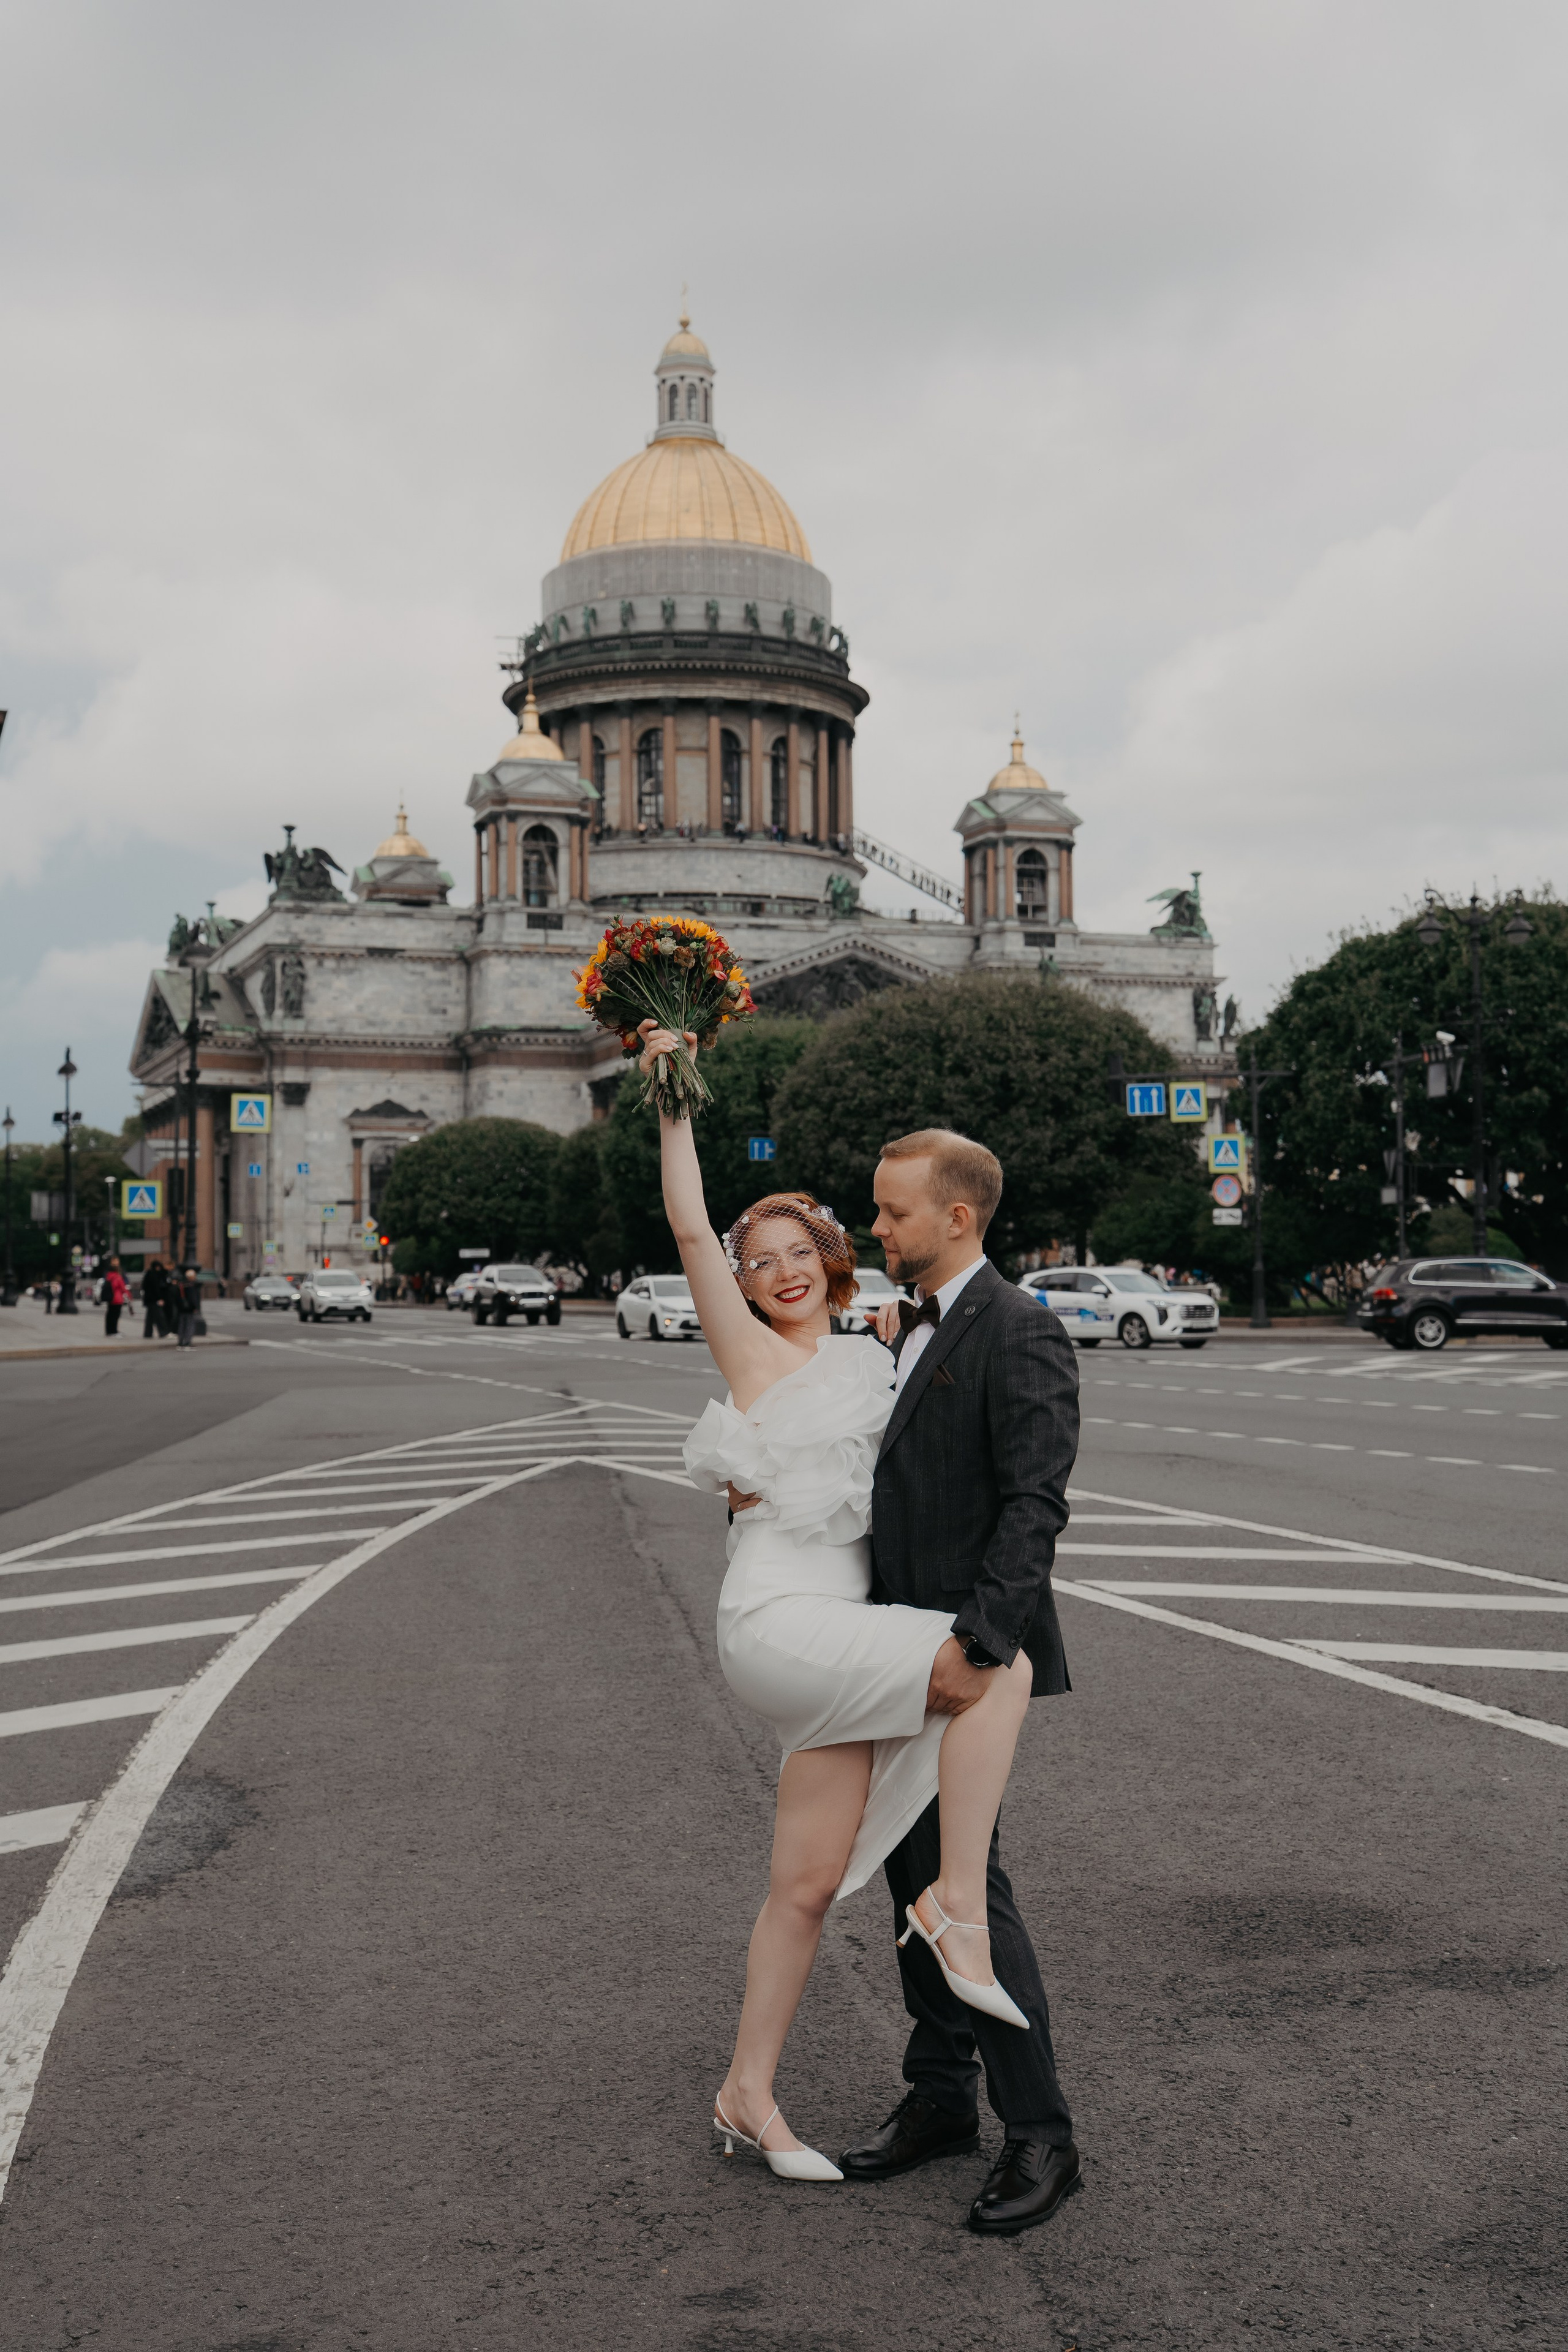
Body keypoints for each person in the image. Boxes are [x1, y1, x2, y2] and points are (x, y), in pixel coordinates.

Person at [643, 1022, 1048, 2201]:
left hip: (840, 1635)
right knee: (995, 1661)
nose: (777, 1271)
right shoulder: (756, 1360)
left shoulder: (887, 1347)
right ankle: (958, 1907)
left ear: (829, 1255)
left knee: (810, 1885)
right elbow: (683, 1223)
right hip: (778, 1622)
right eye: (755, 1257)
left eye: (795, 1249)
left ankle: (747, 2091)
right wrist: (671, 1089)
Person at [835, 1129, 1081, 2237]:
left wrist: (977, 1648)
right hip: (886, 1651)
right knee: (908, 1872)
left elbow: (1036, 1502)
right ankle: (942, 2098)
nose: (873, 1231)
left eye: (891, 1215)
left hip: (960, 1656)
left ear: (957, 1218)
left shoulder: (1019, 1330)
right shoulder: (901, 1329)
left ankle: (1043, 2135)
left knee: (966, 1893)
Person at [172, 1262, 202, 1349]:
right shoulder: (191, 1285)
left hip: (181, 1308)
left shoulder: (181, 1285)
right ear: (192, 1277)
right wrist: (195, 1307)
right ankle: (187, 1342)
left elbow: (176, 1296)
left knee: (182, 1325)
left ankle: (180, 1342)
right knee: (189, 1325)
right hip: (189, 1308)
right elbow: (193, 1298)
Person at [140, 1257, 171, 1338]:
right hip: (155, 1300)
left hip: (149, 1299)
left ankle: (148, 1333)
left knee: (150, 1318)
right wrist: (160, 1298)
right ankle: (163, 1332)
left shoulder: (149, 1274)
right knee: (160, 1316)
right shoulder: (154, 1276)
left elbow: (145, 1287)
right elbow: (156, 1288)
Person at [102, 1258, 129, 1337]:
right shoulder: (117, 1277)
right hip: (117, 1299)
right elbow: (123, 1287)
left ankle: (109, 1331)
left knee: (110, 1315)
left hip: (110, 1298)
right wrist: (129, 1296)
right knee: (115, 1316)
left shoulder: (108, 1276)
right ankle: (114, 1332)